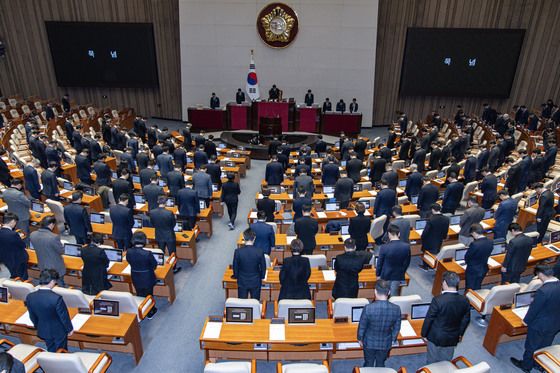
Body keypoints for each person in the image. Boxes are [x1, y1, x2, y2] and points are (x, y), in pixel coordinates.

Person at [510, 265, 560, 372]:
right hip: (556, 323)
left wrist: (526, 320)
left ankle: (526, 365)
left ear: (541, 274)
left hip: (540, 324)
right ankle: (539, 363)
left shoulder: (543, 291)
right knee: (545, 343)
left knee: (531, 345)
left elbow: (534, 309)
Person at [421, 271, 470, 364]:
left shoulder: (438, 300)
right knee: (447, 359)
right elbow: (466, 320)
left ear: (444, 283)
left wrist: (424, 334)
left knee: (432, 359)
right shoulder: (465, 300)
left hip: (436, 336)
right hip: (453, 336)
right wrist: (460, 334)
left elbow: (429, 318)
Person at [25, 269, 73, 352]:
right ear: (52, 281)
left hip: (43, 329)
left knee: (50, 348)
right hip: (58, 331)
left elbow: (32, 315)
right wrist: (69, 329)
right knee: (61, 350)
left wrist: (37, 326)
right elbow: (63, 316)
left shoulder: (30, 296)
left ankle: (51, 361)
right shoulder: (56, 298)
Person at [357, 280, 401, 368]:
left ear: (375, 291)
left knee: (368, 362)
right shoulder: (396, 309)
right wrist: (392, 339)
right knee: (381, 363)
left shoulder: (368, 308)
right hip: (386, 342)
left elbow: (362, 326)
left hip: (369, 342)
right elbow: (397, 327)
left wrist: (360, 338)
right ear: (389, 292)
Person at [126, 231, 158, 319]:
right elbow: (154, 265)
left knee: (139, 293)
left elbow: (129, 261)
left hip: (135, 276)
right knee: (149, 294)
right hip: (147, 277)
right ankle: (150, 311)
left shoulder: (129, 251)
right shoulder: (147, 254)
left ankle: (142, 309)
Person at [232, 229, 267, 300]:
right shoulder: (259, 251)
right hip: (255, 280)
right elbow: (263, 267)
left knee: (242, 302)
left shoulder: (238, 252)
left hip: (242, 280)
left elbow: (235, 267)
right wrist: (262, 276)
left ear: (244, 238)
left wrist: (236, 276)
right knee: (255, 302)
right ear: (254, 238)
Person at [376, 224, 411, 296]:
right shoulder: (406, 246)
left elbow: (379, 263)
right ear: (399, 234)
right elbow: (407, 262)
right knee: (394, 293)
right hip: (398, 274)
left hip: (385, 274)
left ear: (389, 234)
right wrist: (402, 271)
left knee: (384, 292)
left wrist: (378, 274)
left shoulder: (384, 247)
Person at [30, 216, 65, 284]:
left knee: (46, 283)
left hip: (42, 264)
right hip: (55, 267)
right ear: (51, 224)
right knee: (59, 284)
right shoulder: (54, 237)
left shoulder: (32, 234)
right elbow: (61, 251)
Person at [149, 196, 180, 273]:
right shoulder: (169, 213)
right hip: (169, 235)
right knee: (172, 252)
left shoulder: (152, 212)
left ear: (157, 202)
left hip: (159, 234)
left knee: (161, 251)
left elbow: (152, 224)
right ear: (166, 203)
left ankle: (161, 267)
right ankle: (174, 268)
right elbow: (173, 224)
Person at [464, 224, 493, 290]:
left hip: (473, 270)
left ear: (474, 233)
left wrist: (468, 262)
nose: (472, 236)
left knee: (469, 288)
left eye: (472, 234)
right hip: (483, 268)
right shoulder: (490, 241)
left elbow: (467, 256)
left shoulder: (475, 244)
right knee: (478, 285)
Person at [0, 212, 28, 279]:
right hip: (16, 260)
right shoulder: (13, 234)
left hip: (4, 259)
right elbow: (23, 245)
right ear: (12, 221)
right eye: (15, 222)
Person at [420, 204, 449, 268]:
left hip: (429, 240)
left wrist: (422, 238)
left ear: (433, 209)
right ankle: (431, 265)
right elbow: (445, 230)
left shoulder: (431, 219)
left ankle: (425, 266)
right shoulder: (446, 219)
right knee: (435, 251)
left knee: (426, 252)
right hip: (439, 239)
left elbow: (426, 231)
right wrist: (443, 237)